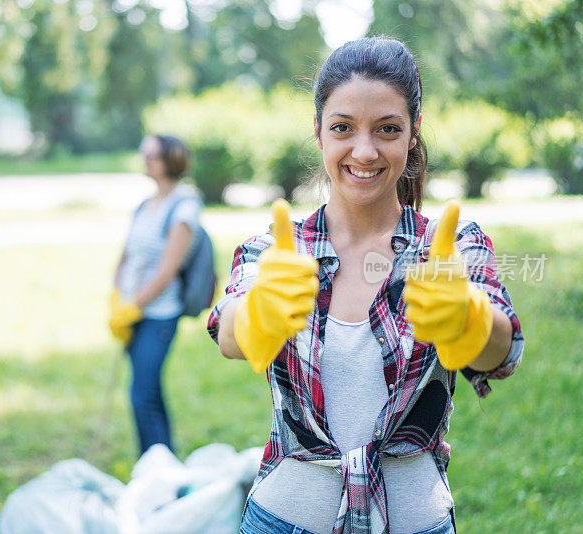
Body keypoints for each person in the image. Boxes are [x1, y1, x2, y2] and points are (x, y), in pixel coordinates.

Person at [207, 37, 523, 534]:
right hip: (281, 518)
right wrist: (255, 315)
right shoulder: (275, 249)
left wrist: (471, 318)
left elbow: (501, 354)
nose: (364, 150)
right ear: (318, 132)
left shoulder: (450, 246)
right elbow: (227, 336)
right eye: (342, 128)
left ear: (413, 133)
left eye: (388, 129)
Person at [109, 134, 202, 456]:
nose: (144, 159)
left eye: (151, 154)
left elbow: (166, 271)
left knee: (141, 394)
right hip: (133, 311)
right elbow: (127, 254)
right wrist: (115, 299)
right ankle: (163, 464)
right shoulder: (144, 205)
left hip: (158, 314)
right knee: (149, 392)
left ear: (169, 160)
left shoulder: (184, 206)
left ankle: (154, 469)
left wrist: (133, 307)